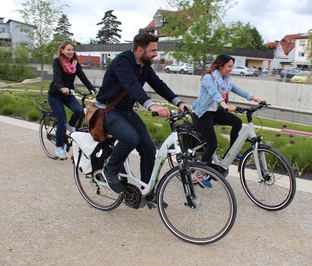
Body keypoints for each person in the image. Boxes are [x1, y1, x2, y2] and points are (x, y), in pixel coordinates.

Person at [96, 33, 186, 194]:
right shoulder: (123, 62)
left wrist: (178, 102)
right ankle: (110, 170)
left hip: (126, 111)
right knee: (130, 138)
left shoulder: (144, 66)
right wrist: (151, 106)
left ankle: (147, 190)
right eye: (153, 50)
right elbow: (131, 85)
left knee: (149, 149)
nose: (156, 54)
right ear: (139, 50)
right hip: (108, 111)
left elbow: (158, 85)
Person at [191, 54, 266, 187]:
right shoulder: (209, 77)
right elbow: (214, 93)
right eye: (229, 66)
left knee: (237, 122)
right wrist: (225, 106)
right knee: (212, 144)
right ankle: (200, 174)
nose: (231, 69)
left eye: (232, 66)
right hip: (202, 114)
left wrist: (256, 99)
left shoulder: (227, 80)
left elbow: (239, 91)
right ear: (220, 65)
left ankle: (232, 152)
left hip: (216, 112)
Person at [48, 41, 97, 160]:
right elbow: (57, 76)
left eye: (72, 50)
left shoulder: (75, 63)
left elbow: (82, 76)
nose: (71, 52)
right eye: (68, 50)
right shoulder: (57, 62)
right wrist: (61, 87)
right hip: (55, 95)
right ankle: (59, 147)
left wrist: (92, 88)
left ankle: (71, 125)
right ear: (62, 50)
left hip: (68, 94)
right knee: (62, 120)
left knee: (79, 111)